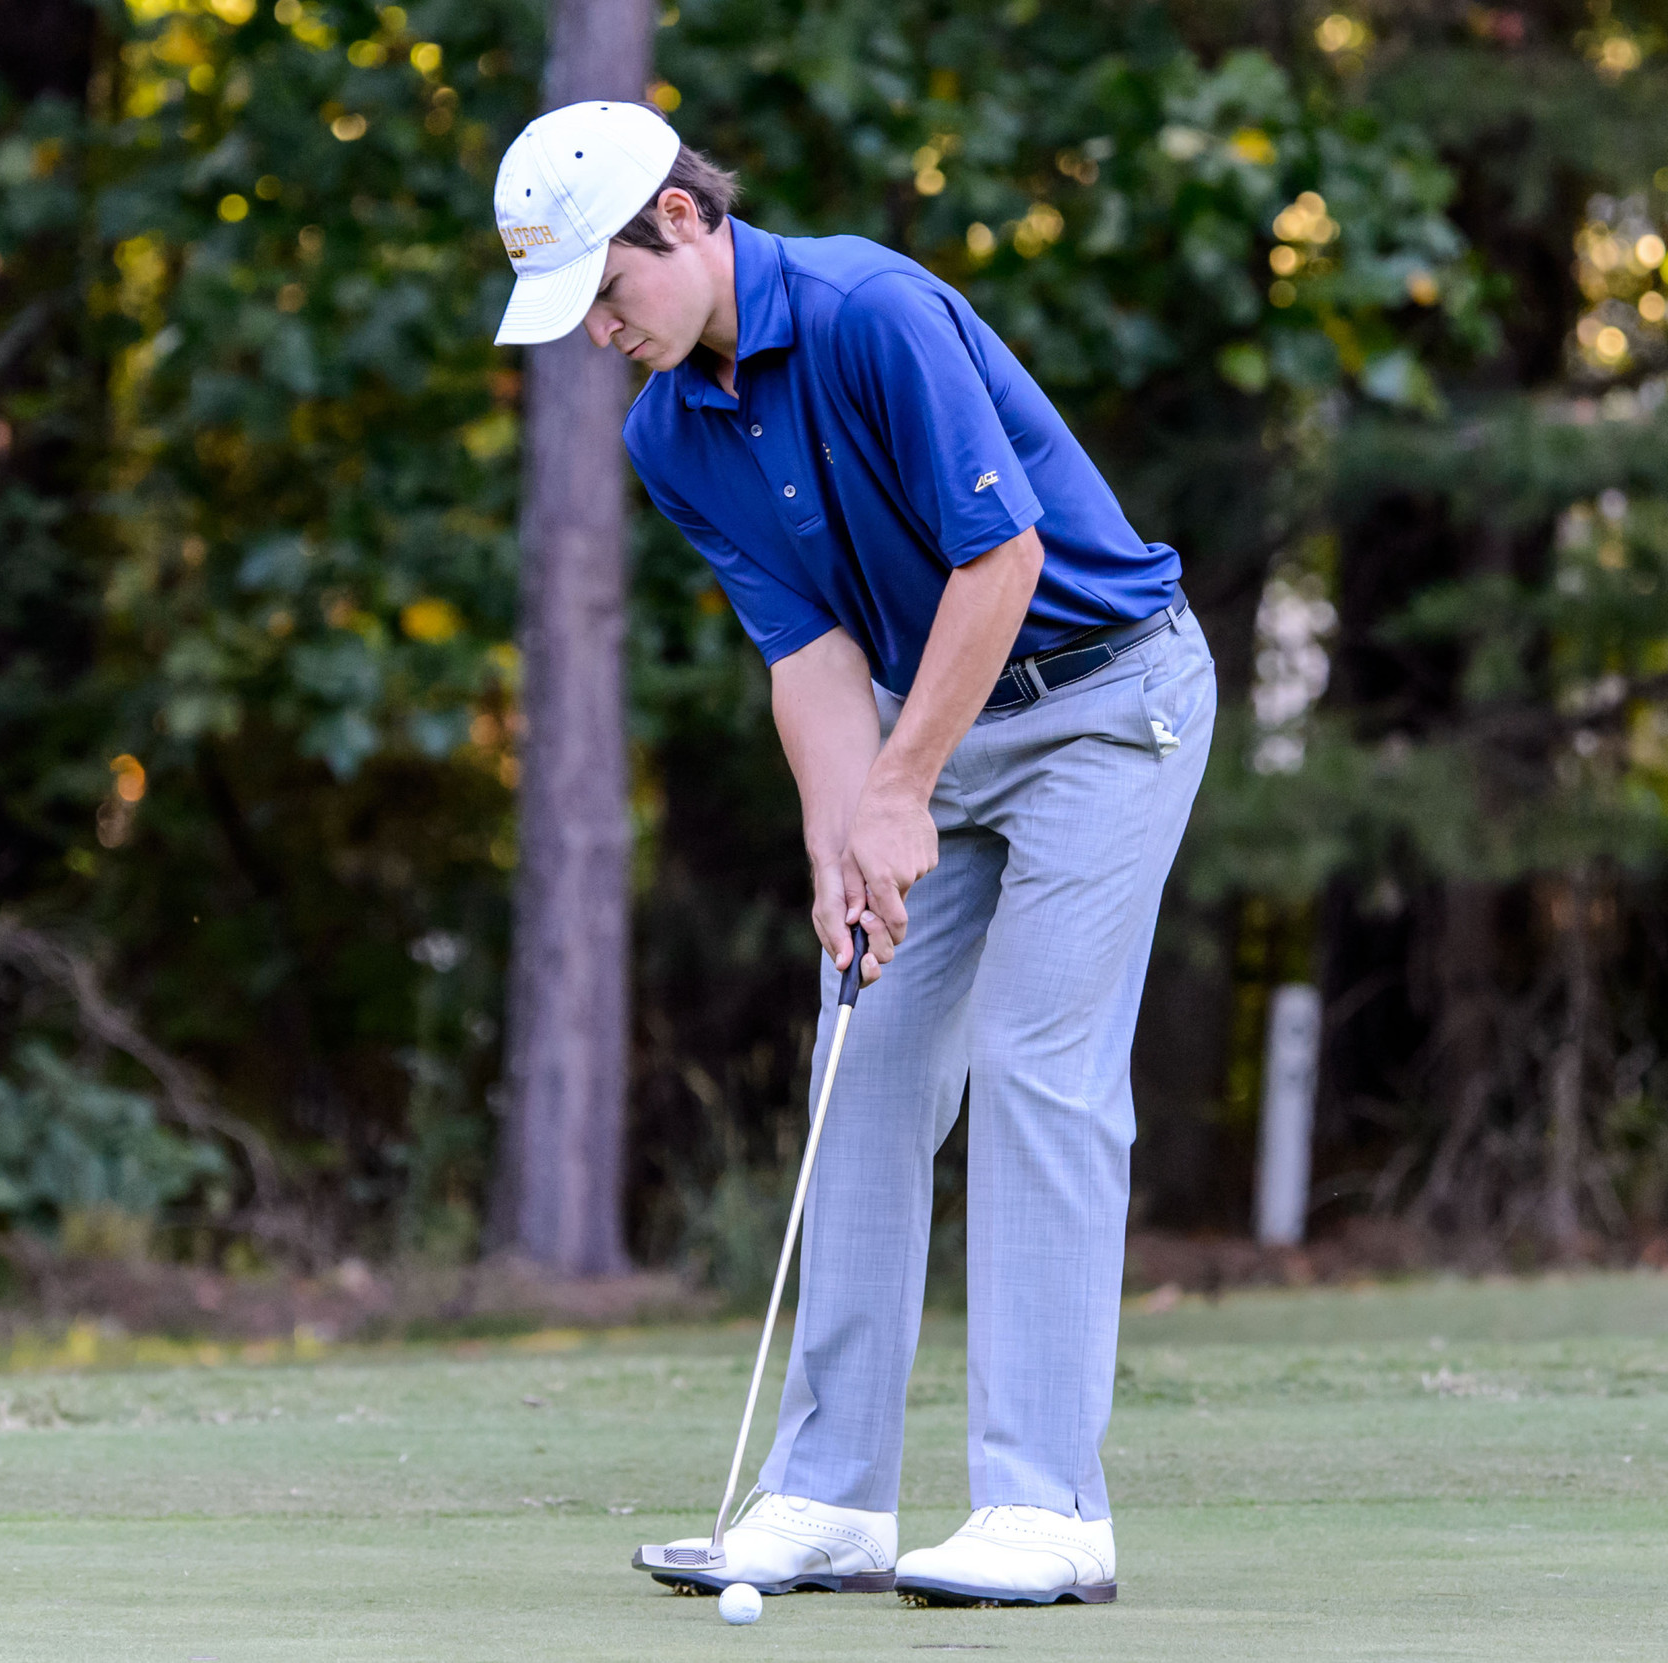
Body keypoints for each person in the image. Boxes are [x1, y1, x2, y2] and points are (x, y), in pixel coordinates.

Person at [492, 100, 1213, 1609]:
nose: (598, 333)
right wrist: (843, 842)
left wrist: (903, 789)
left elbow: (999, 559)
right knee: (863, 1056)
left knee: (1035, 1063)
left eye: (607, 294)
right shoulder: (667, 430)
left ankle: (1047, 1509)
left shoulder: (872, 310)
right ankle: (832, 1495)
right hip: (920, 724)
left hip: (1104, 700)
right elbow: (810, 650)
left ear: (682, 222)